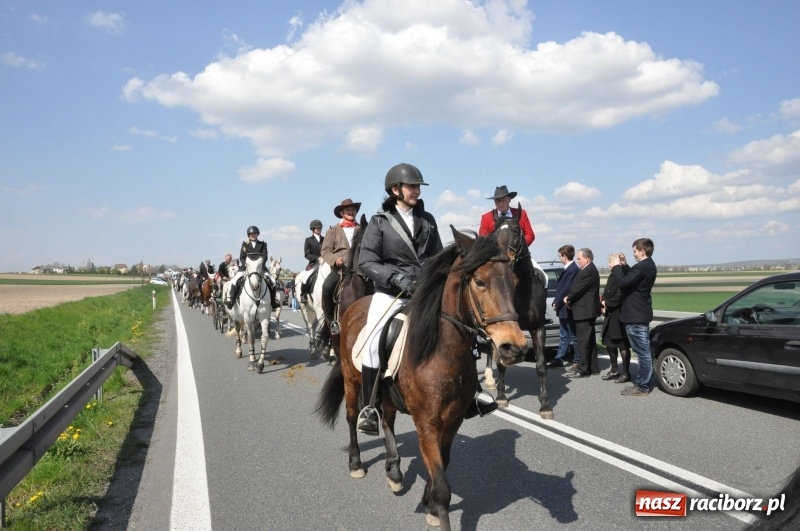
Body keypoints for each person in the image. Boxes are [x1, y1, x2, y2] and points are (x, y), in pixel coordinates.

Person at [356, 163, 443, 436]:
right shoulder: (378, 221)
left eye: (418, 186)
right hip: (391, 292)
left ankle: (472, 393)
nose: (416, 190)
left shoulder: (427, 219)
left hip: (424, 290)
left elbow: (437, 255)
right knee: (372, 341)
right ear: (396, 190)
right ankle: (370, 407)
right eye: (412, 186)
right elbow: (365, 261)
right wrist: (395, 279)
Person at [610, 238, 657, 396]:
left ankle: (643, 386)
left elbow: (623, 283)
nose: (634, 254)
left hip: (635, 315)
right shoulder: (647, 265)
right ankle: (643, 383)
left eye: (635, 252)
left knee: (642, 352)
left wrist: (616, 266)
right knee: (643, 351)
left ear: (642, 251)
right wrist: (624, 266)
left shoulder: (643, 266)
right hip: (638, 313)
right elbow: (633, 278)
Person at [320, 198, 362, 336]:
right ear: (342, 212)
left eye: (353, 209)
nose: (351, 212)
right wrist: (335, 260)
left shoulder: (362, 229)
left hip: (360, 269)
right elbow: (325, 251)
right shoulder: (332, 231)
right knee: (326, 287)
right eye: (348, 210)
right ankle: (331, 321)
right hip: (340, 270)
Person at [563, 248, 601, 378]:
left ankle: (583, 369)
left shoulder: (588, 271)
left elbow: (578, 289)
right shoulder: (589, 270)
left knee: (583, 341)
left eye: (579, 259)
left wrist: (568, 298)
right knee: (589, 341)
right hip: (586, 310)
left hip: (584, 311)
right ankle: (593, 367)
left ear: (587, 258)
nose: (577, 261)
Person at [226, 226, 279, 310]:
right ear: (248, 235)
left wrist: (259, 264)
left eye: (254, 233)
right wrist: (246, 264)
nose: (253, 235)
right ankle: (231, 300)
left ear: (257, 234)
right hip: (246, 267)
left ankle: (273, 301)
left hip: (260, 268)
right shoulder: (245, 244)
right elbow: (242, 257)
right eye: (251, 234)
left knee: (272, 281)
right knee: (234, 280)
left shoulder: (263, 244)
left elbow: (265, 257)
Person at [547, 245, 582, 370]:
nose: (560, 258)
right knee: (564, 334)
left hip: (567, 307)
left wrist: (557, 302)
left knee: (572, 335)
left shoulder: (572, 270)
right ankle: (559, 358)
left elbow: (566, 288)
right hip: (563, 309)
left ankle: (577, 360)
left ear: (564, 256)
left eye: (560, 256)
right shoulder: (569, 269)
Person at [600, 252, 632, 383]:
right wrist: (603, 303)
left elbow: (620, 296)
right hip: (609, 314)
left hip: (619, 315)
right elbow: (607, 292)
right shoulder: (611, 276)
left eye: (611, 262)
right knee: (609, 343)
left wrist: (607, 303)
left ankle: (626, 373)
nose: (608, 265)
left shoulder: (623, 276)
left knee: (622, 345)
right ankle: (614, 369)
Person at [300, 219, 324, 303]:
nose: (319, 229)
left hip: (325, 263)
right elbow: (307, 254)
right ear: (313, 229)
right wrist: (317, 258)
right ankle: (303, 295)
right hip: (314, 263)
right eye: (317, 227)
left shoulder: (325, 239)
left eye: (320, 227)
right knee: (305, 278)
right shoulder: (308, 240)